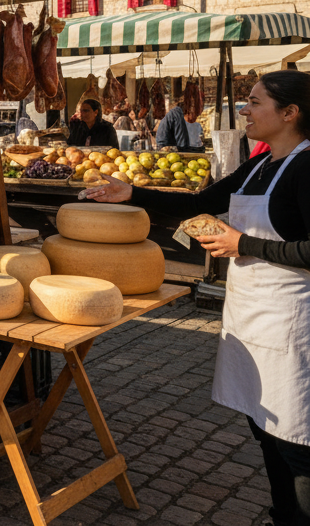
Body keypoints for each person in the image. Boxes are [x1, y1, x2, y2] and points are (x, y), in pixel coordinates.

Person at [85, 70, 310, 525]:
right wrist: (131, 193)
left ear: (290, 113)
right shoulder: (262, 163)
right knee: (264, 430)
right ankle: (283, 517)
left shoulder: (307, 167)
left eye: (254, 102)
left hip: (292, 325)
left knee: (298, 445)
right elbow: (197, 203)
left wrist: (242, 245)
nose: (243, 110)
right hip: (252, 317)